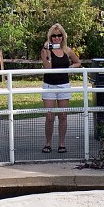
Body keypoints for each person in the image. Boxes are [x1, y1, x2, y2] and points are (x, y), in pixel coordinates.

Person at [40, 23, 81, 154]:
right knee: (50, 116)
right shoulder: (45, 50)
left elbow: (78, 62)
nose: (57, 38)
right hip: (49, 85)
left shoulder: (67, 50)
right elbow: (48, 68)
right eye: (54, 36)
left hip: (64, 84)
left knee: (63, 115)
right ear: (50, 37)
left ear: (63, 37)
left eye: (59, 35)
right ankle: (48, 143)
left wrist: (69, 69)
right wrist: (48, 53)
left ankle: (61, 143)